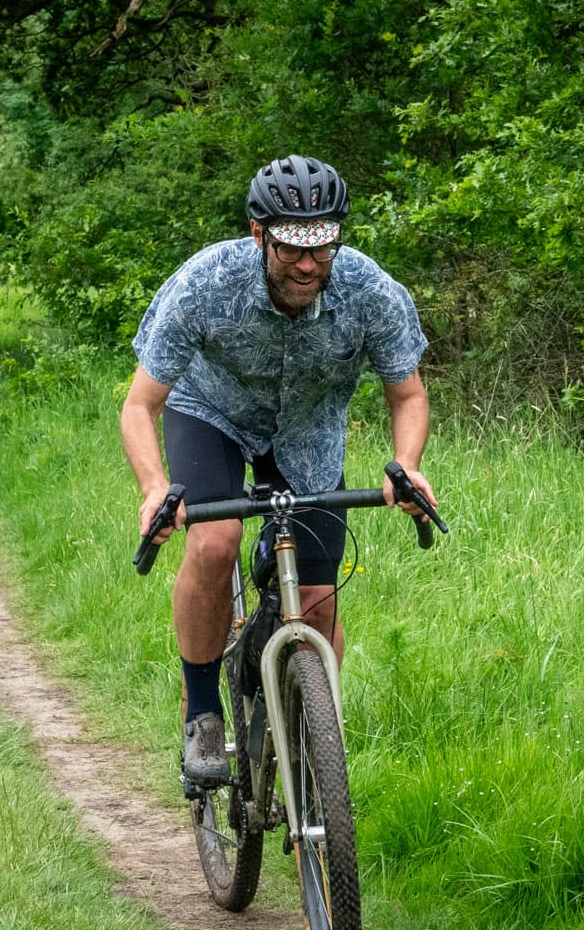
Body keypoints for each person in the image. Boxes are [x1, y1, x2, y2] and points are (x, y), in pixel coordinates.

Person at [120, 154, 438, 783]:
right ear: (259, 233)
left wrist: (407, 466)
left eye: (322, 247)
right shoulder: (207, 282)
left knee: (317, 603)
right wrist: (156, 488)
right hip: (210, 413)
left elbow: (408, 395)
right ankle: (204, 712)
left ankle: (312, 756)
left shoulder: (370, 291)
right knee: (216, 542)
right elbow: (140, 404)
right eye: (292, 247)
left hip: (308, 433)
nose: (308, 265)